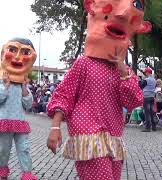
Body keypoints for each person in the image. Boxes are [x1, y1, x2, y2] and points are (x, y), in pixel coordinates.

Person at [46, 0, 151, 179]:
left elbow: (134, 101)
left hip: (114, 136)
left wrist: (122, 70)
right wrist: (55, 127)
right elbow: (64, 95)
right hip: (87, 134)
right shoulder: (84, 64)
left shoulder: (125, 72)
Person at [0, 38, 37, 179]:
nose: (17, 57)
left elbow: (28, 105)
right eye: (13, 50)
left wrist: (24, 89)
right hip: (4, 121)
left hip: (20, 122)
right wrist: (5, 85)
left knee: (24, 148)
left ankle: (27, 174)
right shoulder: (1, 81)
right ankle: (2, 170)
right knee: (3, 150)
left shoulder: (23, 85)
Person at [140, 67, 156, 132]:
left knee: (147, 112)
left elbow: (141, 86)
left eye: (145, 72)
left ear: (147, 72)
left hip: (146, 96)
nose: (145, 73)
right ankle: (154, 126)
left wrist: (140, 81)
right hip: (152, 96)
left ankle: (148, 127)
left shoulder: (146, 80)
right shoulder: (154, 80)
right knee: (152, 112)